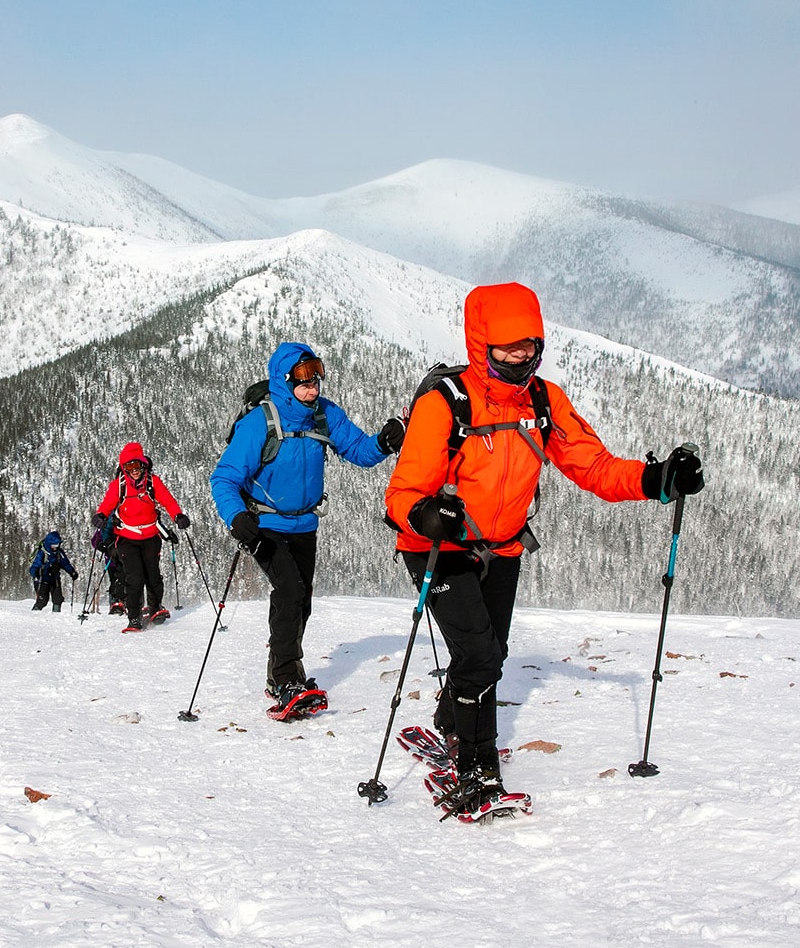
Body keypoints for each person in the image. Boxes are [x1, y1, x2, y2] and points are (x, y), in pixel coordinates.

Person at [382, 282, 705, 812]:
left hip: (505, 547)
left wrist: (658, 479)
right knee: (480, 655)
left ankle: (451, 721)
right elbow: (402, 493)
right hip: (437, 547)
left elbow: (594, 467)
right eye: (508, 348)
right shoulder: (446, 403)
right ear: (482, 343)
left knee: (491, 653)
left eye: (529, 347)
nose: (521, 357)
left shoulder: (543, 402)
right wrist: (424, 513)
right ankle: (477, 772)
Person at [210, 343, 405, 719]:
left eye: (315, 379)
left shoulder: (323, 415)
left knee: (303, 600)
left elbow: (359, 451)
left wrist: (383, 442)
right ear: (284, 383)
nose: (312, 388)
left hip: (305, 523)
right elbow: (225, 477)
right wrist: (237, 517)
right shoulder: (260, 422)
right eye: (303, 382)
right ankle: (286, 678)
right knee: (289, 590)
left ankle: (281, 672)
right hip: (264, 524)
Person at [92, 443, 189, 633]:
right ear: (123, 468)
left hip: (151, 536)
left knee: (153, 575)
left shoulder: (153, 482)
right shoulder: (119, 485)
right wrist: (101, 515)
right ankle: (134, 617)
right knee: (134, 577)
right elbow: (108, 503)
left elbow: (167, 500)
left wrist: (178, 515)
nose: (134, 471)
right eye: (129, 467)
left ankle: (155, 608)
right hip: (127, 538)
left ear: (144, 465)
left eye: (137, 466)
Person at [29, 530, 78, 612]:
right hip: (42, 580)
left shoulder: (59, 553)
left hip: (54, 579)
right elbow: (34, 566)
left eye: (58, 544)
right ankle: (35, 615)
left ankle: (56, 616)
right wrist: (36, 572)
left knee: (58, 599)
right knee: (42, 600)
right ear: (49, 544)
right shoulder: (42, 552)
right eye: (54, 545)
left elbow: (65, 564)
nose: (56, 547)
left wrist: (72, 572)